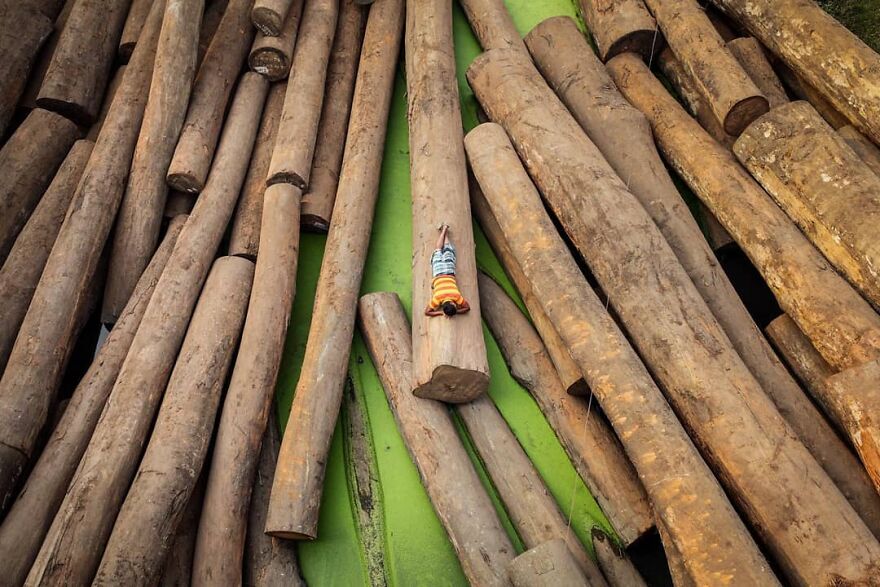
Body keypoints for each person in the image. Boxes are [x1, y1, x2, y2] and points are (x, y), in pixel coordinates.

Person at [425, 224, 471, 318]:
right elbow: (427, 312)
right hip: (438, 272)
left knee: (447, 249)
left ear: (453, 304)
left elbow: (467, 308)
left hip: (449, 271)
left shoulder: (456, 296)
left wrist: (457, 311)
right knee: (438, 250)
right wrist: (440, 313)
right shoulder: (437, 298)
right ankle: (444, 231)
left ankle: (445, 230)